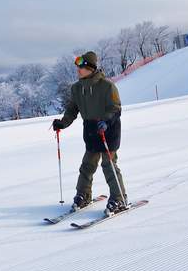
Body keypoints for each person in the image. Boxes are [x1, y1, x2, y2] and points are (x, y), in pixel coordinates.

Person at [51, 51, 130, 214]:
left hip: (108, 129)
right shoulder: (77, 88)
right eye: (77, 67)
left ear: (91, 68)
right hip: (91, 131)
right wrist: (62, 123)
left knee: (108, 165)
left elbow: (116, 109)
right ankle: (83, 195)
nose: (78, 70)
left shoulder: (107, 86)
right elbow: (72, 110)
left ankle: (119, 198)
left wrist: (106, 121)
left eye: (81, 67)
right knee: (87, 165)